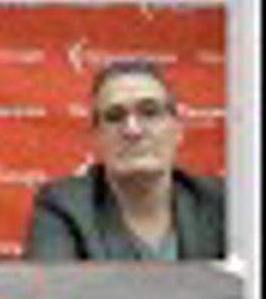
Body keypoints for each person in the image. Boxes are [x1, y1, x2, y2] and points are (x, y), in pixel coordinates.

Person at [23, 60, 226, 261]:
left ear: (177, 130)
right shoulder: (64, 206)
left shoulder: (221, 202)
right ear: (96, 137)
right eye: (114, 117)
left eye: (149, 112)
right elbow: (53, 291)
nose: (133, 130)